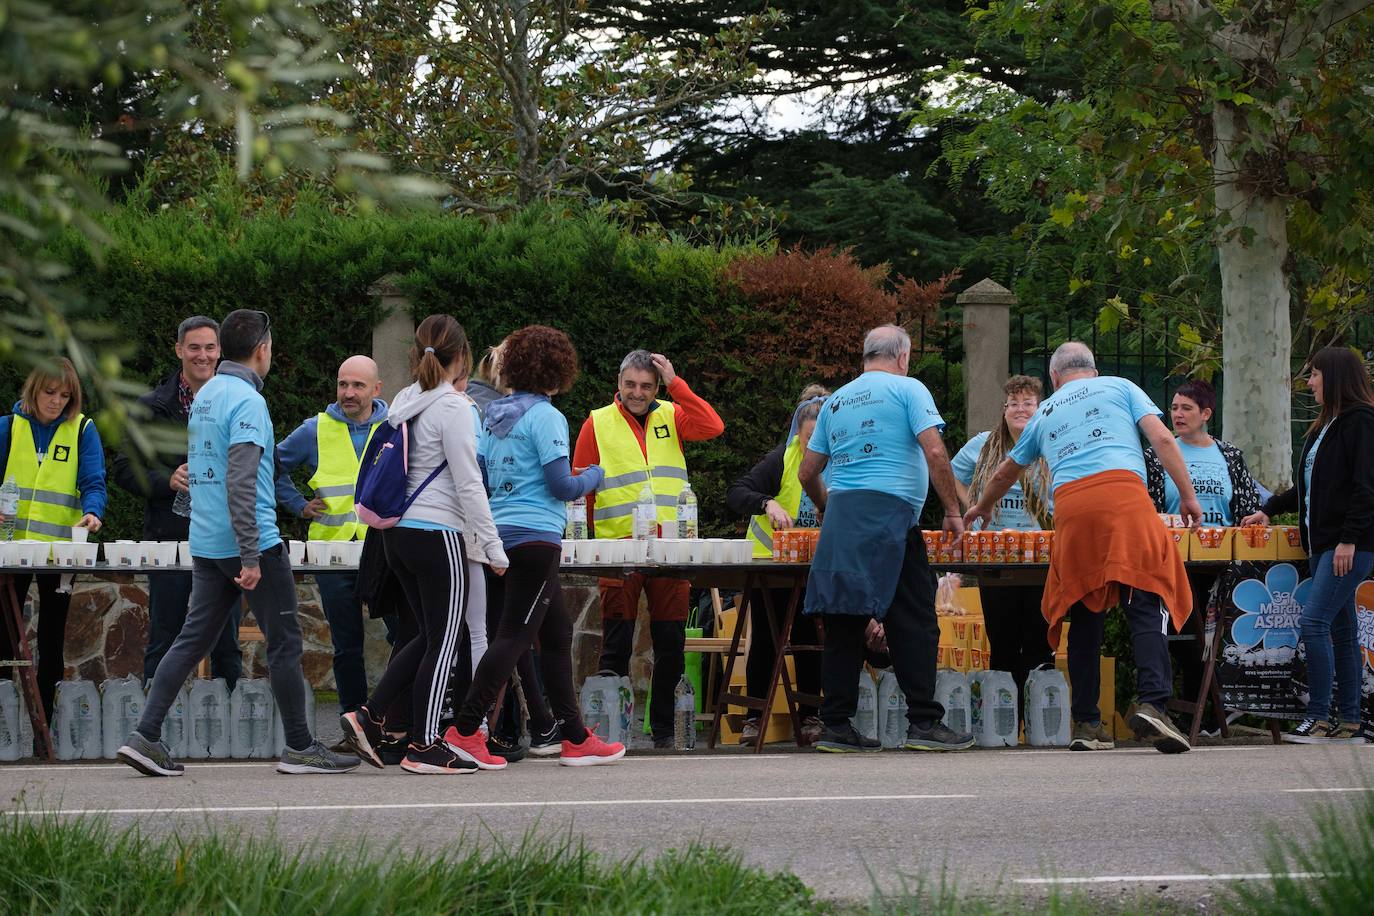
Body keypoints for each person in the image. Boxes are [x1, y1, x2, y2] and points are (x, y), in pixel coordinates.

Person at [118, 309, 359, 776]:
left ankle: (144, 736)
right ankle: (300, 747)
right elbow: (243, 481)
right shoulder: (247, 402)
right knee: (286, 642)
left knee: (190, 641)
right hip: (250, 543)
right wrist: (251, 553)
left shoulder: (207, 396)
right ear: (263, 349)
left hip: (207, 541)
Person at [965, 341, 1200, 754]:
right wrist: (1188, 496)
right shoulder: (1121, 387)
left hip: (1072, 508)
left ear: (1055, 378)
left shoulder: (1047, 412)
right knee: (1147, 595)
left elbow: (1005, 471)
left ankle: (1087, 722)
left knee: (1086, 606)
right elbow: (1163, 440)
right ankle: (1153, 702)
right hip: (1123, 495)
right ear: (1093, 369)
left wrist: (982, 507)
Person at [444, 325, 625, 769]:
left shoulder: (494, 416)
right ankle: (465, 730)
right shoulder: (547, 417)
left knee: (557, 634)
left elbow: (483, 478)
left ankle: (574, 736)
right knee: (512, 638)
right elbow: (562, 484)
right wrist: (595, 475)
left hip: (500, 536)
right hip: (536, 539)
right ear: (558, 369)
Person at [339, 314, 508, 775]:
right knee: (445, 641)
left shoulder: (405, 400)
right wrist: (494, 549)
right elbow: (469, 483)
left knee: (425, 635)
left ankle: (369, 716)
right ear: (464, 358)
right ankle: (425, 744)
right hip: (438, 534)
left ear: (417, 355)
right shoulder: (453, 407)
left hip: (396, 535)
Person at [798, 325, 974, 754]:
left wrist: (824, 506)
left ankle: (836, 724)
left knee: (842, 619)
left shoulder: (835, 401)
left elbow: (807, 472)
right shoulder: (909, 389)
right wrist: (952, 510)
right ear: (903, 357)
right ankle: (924, 724)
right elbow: (934, 452)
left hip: (843, 515)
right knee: (914, 619)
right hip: (891, 516)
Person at [573, 349, 724, 746]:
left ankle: (662, 734)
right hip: (619, 549)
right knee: (616, 644)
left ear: (656, 388)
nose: (637, 393)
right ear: (618, 384)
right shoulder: (597, 422)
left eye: (646, 386)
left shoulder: (672, 414)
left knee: (671, 644)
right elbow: (580, 489)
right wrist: (592, 544)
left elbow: (713, 426)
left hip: (671, 547)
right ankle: (611, 732)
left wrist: (677, 384)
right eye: (630, 385)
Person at [1243, 347, 1374, 745]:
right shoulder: (1324, 426)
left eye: (1315, 375)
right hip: (1323, 547)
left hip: (1346, 547)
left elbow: (1366, 488)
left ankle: (1318, 717)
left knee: (1313, 623)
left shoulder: (1361, 422)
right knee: (1342, 631)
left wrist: (1349, 539)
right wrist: (1269, 509)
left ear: (1333, 377)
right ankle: (1350, 722)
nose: (1310, 383)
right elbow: (1307, 488)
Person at [112, 316, 243, 689]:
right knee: (164, 637)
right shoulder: (151, 406)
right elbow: (123, 468)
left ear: (220, 351)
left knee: (226, 644)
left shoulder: (238, 402)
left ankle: (232, 741)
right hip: (168, 538)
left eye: (210, 347)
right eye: (194, 347)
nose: (202, 355)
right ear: (179, 350)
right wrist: (166, 481)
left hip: (223, 539)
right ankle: (152, 736)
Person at [274, 355, 389, 714]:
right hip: (333, 552)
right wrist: (297, 504)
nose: (349, 392)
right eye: (343, 384)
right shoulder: (315, 429)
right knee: (347, 645)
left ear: (376, 389)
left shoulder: (395, 427)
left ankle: (394, 717)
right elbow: (271, 467)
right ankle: (352, 720)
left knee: (405, 636)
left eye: (357, 385)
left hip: (385, 549)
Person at [1143, 378, 1261, 726]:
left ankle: (1204, 715)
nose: (1177, 414)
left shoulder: (1229, 456)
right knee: (1184, 637)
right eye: (1174, 408)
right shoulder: (1158, 453)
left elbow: (1247, 506)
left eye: (1186, 409)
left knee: (1214, 637)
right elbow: (1149, 505)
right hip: (1175, 559)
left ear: (1206, 413)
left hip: (1221, 562)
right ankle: (1198, 711)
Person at [0, 358, 106, 721]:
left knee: (51, 639)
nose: (56, 401)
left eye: (65, 395)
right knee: (3, 638)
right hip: (10, 551)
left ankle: (46, 725)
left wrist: (93, 512)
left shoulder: (82, 430)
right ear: (33, 389)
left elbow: (93, 481)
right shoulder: (7, 429)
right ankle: (3, 719)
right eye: (50, 392)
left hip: (61, 552)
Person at [725, 384, 830, 746]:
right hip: (772, 568)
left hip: (816, 569)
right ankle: (755, 716)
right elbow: (737, 493)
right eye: (808, 438)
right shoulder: (782, 459)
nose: (813, 447)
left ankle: (812, 714)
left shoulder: (843, 464)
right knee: (768, 640)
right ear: (797, 434)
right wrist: (767, 502)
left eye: (822, 438)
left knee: (810, 639)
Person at [951, 374, 1054, 699]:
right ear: (1003, 408)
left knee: (1040, 639)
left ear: (1039, 409)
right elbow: (952, 473)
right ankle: (1006, 717)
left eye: (1028, 403)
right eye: (1013, 403)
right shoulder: (984, 444)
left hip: (1040, 557)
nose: (1020, 409)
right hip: (994, 556)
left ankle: (1040, 720)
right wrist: (973, 506)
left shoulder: (1051, 442)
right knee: (1002, 639)